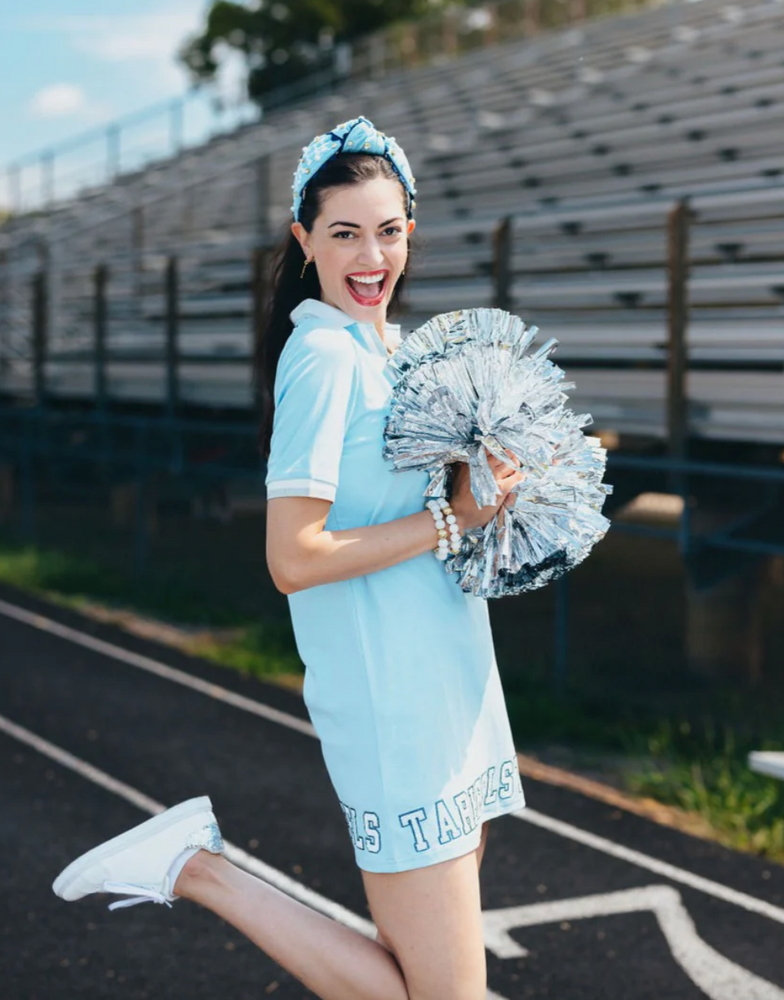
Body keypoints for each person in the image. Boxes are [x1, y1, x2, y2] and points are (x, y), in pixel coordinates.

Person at [52, 115, 526, 1000]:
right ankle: (199, 868)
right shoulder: (323, 355)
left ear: (410, 230)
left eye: (388, 230)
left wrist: (492, 497)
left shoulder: (385, 345)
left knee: (429, 983)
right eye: (344, 233)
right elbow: (292, 558)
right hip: (394, 702)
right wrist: (453, 518)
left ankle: (197, 862)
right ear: (305, 240)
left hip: (448, 676)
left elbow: (416, 511)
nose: (370, 255)